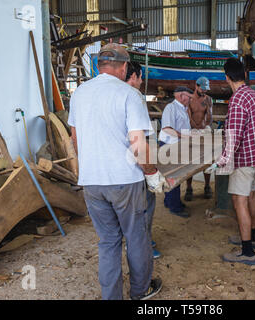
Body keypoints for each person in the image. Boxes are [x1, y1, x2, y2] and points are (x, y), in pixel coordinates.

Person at [68, 43, 164, 300]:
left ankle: (112, 297)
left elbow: (75, 138)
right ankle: (140, 292)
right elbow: (138, 144)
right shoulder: (129, 95)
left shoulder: (79, 93)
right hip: (124, 181)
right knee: (136, 238)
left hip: (91, 182)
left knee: (108, 242)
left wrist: (91, 164)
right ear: (123, 67)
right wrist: (152, 173)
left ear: (100, 66)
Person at [206, 58, 255, 266]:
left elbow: (234, 136)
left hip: (245, 159)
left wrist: (222, 161)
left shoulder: (237, 99)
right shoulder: (253, 94)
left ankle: (247, 252)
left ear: (226, 77)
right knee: (250, 196)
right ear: (244, 75)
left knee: (239, 201)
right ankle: (252, 238)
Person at [125, 61, 161, 260]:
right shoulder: (134, 96)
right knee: (145, 205)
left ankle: (142, 239)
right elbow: (140, 140)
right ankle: (143, 245)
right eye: (140, 77)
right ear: (133, 76)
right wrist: (151, 170)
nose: (141, 81)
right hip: (134, 164)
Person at [159, 86, 194, 218]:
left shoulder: (183, 109)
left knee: (172, 175)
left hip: (176, 145)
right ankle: (175, 207)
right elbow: (167, 129)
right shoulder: (171, 108)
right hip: (169, 145)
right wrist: (185, 136)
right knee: (174, 176)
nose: (190, 100)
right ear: (180, 96)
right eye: (189, 97)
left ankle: (170, 201)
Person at [185, 76, 214, 201]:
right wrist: (194, 127)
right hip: (191, 132)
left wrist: (204, 127)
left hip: (203, 132)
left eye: (206, 90)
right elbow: (187, 116)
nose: (204, 91)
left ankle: (207, 186)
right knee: (189, 162)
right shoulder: (189, 100)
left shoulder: (208, 100)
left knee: (206, 161)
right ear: (196, 86)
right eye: (202, 89)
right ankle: (189, 187)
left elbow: (209, 116)